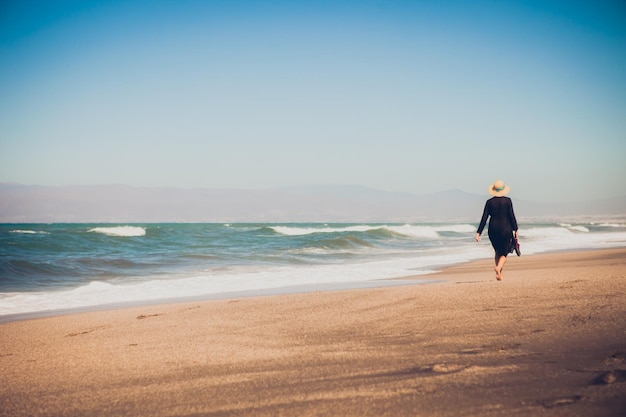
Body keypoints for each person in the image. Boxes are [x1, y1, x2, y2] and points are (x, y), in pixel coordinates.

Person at [475, 180, 519, 281]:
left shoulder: (489, 202)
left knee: (497, 251)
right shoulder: (508, 201)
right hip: (505, 229)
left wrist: (479, 232)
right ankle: (498, 268)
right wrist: (516, 229)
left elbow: (484, 218)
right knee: (505, 252)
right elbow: (511, 216)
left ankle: (500, 274)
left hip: (493, 229)